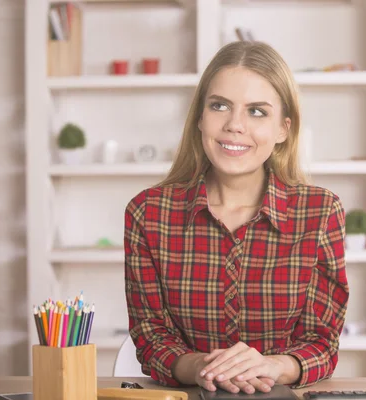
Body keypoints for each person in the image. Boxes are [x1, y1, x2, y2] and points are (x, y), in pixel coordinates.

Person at [124, 41, 349, 394]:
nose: (235, 125)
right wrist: (202, 366)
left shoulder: (320, 213)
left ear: (283, 130)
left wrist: (272, 366)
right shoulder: (148, 214)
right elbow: (152, 339)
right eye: (220, 106)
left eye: (257, 111)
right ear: (200, 117)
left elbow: (322, 343)